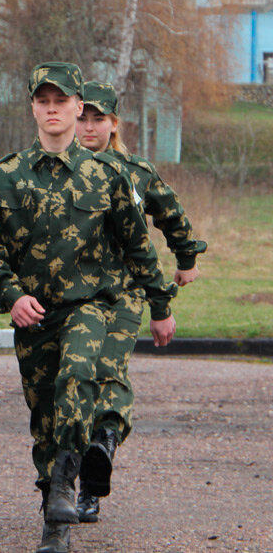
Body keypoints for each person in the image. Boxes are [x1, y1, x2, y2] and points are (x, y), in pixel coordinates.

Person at [0, 62, 177, 553]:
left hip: (90, 305)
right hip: (33, 314)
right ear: (33, 107)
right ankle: (55, 525)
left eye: (62, 102)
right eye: (43, 101)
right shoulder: (4, 176)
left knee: (78, 375)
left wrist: (160, 305)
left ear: (76, 108)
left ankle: (68, 485)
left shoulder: (104, 175)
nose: (53, 109)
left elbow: (138, 247)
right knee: (44, 413)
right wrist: (10, 296)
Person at [74, 81, 207, 523]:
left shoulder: (135, 170)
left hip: (123, 293)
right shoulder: (57, 169)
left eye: (99, 118)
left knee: (109, 367)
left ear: (114, 124)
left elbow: (171, 213)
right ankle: (70, 468)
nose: (89, 126)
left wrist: (185, 260)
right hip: (70, 295)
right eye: (82, 117)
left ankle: (102, 449)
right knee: (71, 381)